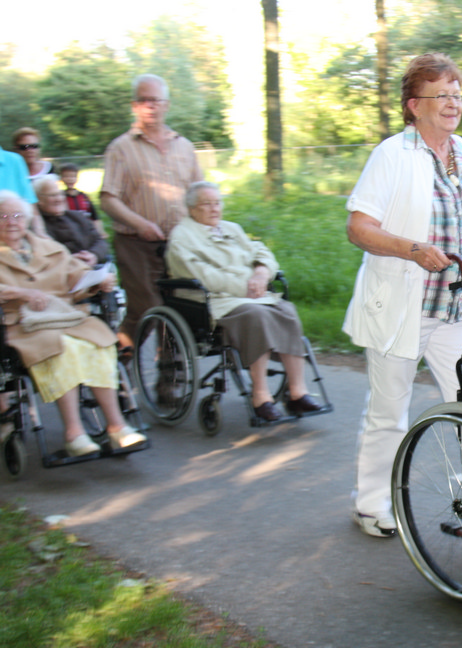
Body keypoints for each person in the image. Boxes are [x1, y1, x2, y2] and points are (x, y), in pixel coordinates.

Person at [344, 53, 462, 538]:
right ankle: (371, 505)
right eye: (442, 95)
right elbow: (359, 228)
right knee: (389, 411)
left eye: (458, 94)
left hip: (458, 309)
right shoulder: (392, 154)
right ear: (415, 105)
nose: (454, 103)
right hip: (404, 308)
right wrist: (413, 249)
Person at [0, 190, 146, 456]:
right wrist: (21, 293)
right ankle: (74, 433)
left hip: (66, 316)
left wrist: (98, 281)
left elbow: (76, 277)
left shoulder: (50, 248)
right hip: (23, 324)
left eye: (17, 215)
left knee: (98, 344)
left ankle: (117, 427)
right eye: (3, 216)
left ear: (28, 219)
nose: (12, 222)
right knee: (62, 347)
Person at [165, 181, 324, 421]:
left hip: (252, 293)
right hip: (213, 300)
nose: (214, 208)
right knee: (256, 316)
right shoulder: (181, 237)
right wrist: (246, 287)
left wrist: (261, 273)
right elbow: (203, 276)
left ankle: (297, 392)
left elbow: (261, 251)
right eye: (206, 204)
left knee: (287, 311)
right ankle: (260, 396)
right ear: (192, 209)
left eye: (217, 203)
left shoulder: (231, 228)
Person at [100, 73, 204, 351]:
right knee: (148, 308)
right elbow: (108, 199)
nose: (150, 106)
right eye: (143, 100)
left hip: (179, 244)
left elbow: (200, 195)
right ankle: (118, 366)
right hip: (136, 245)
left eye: (156, 100)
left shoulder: (185, 147)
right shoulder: (120, 149)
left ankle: (170, 375)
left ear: (166, 104)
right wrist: (140, 224)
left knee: (179, 308)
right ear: (134, 106)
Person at [32, 175, 109, 267]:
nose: (59, 199)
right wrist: (69, 260)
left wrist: (93, 255)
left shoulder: (77, 217)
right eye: (53, 195)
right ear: (38, 199)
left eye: (61, 194)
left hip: (91, 267)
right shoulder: (37, 227)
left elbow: (100, 241)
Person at [58, 163, 105, 237]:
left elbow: (94, 216)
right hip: (69, 232)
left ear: (77, 178)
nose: (70, 179)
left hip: (86, 230)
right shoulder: (60, 197)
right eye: (66, 176)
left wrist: (100, 231)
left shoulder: (84, 197)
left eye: (73, 176)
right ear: (61, 178)